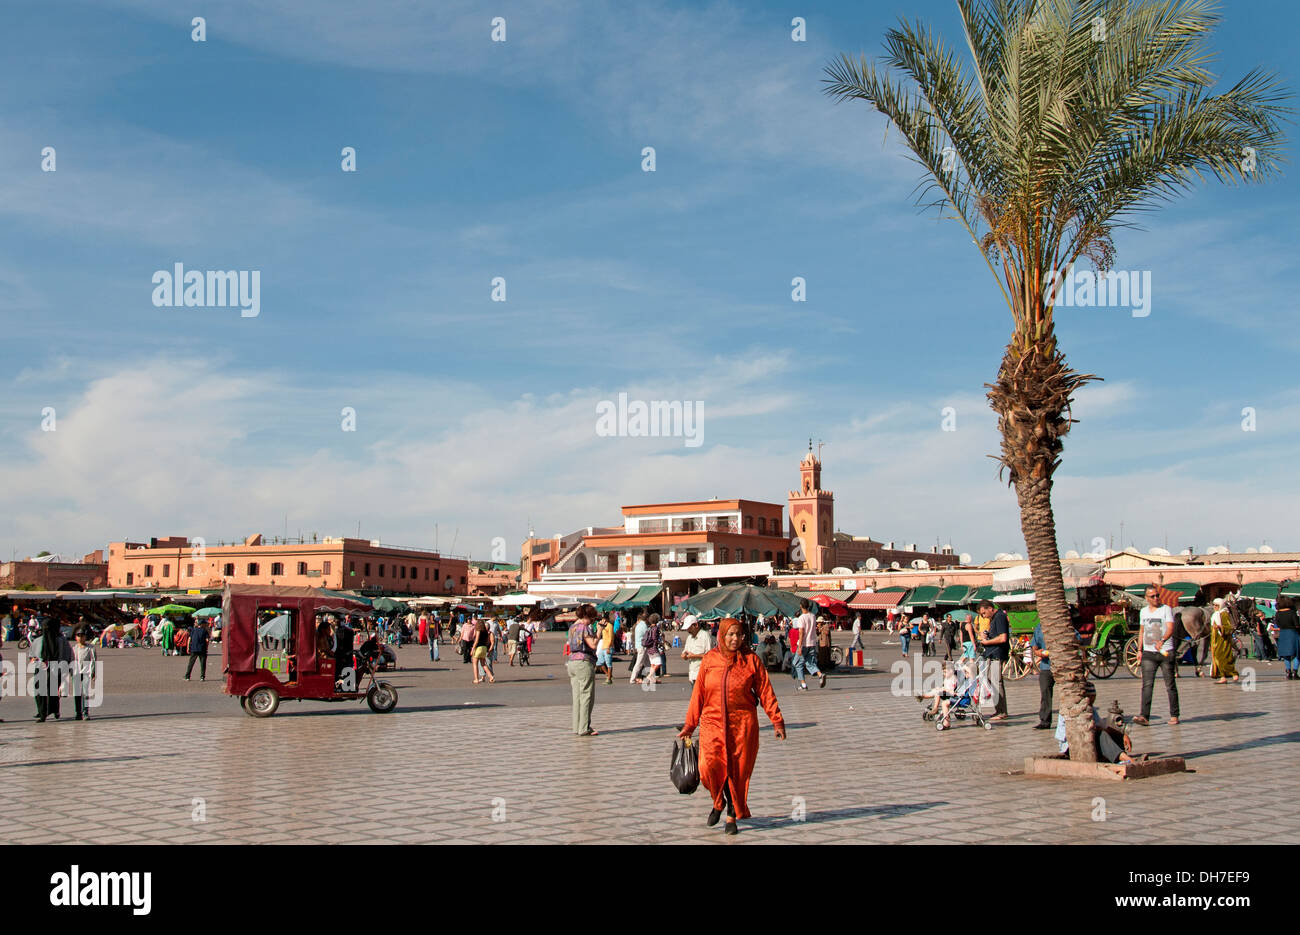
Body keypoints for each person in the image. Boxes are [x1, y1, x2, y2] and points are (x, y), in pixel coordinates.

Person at [678, 618, 786, 835]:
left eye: (739, 635)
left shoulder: (751, 660)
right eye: (731, 634)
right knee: (708, 768)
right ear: (722, 636)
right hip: (712, 723)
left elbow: (765, 692)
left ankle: (731, 814)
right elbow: (698, 695)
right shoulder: (710, 660)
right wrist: (689, 725)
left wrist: (777, 721)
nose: (735, 639)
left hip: (742, 725)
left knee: (736, 772)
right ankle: (718, 801)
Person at [1054, 682, 1135, 763]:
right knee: (1101, 735)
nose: (1093, 701)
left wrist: (1122, 735)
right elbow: (1094, 729)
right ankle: (1127, 759)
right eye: (1091, 698)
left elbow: (1103, 726)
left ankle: (1119, 757)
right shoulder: (1070, 709)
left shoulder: (1091, 708)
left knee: (1113, 734)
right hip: (1073, 746)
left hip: (1088, 740)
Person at [1134, 587, 1180, 725]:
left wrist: (1162, 640)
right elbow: (1141, 631)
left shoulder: (1166, 609)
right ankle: (1144, 716)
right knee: (1147, 685)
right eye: (1152, 596)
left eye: (1157, 595)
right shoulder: (1143, 612)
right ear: (1146, 598)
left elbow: (1170, 628)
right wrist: (1139, 650)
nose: (1156, 598)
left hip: (1166, 652)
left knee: (1170, 685)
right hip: (1148, 653)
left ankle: (1174, 715)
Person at [567, 604, 600, 736]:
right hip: (584, 662)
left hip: (572, 662)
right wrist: (599, 632)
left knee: (577, 697)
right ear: (586, 616)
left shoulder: (572, 627)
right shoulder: (584, 627)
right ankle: (584, 727)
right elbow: (592, 645)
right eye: (591, 618)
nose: (592, 621)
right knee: (586, 695)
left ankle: (577, 727)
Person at [975, 600, 1009, 721]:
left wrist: (987, 642)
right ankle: (998, 709)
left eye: (984, 613)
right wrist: (987, 635)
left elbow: (1002, 637)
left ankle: (1002, 711)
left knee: (996, 682)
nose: (984, 616)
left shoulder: (999, 617)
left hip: (997, 653)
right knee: (991, 680)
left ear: (990, 608)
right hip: (992, 653)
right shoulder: (995, 618)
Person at [32, 618, 68, 722]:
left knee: (53, 692)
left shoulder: (61, 641)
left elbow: (66, 655)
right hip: (40, 668)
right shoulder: (38, 641)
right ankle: (42, 713)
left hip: (56, 668)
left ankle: (54, 710)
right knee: (39, 692)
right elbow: (32, 654)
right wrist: (34, 659)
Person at [790, 601, 825, 691]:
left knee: (797, 663)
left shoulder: (802, 618)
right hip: (812, 643)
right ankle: (820, 674)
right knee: (810, 662)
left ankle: (803, 685)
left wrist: (800, 646)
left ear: (801, 606)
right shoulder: (813, 616)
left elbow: (801, 632)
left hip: (804, 644)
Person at [1029, 622, 1053, 729]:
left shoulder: (1064, 623)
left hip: (1063, 664)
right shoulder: (1039, 626)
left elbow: (1077, 638)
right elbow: (1034, 644)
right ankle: (1045, 721)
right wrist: (1037, 652)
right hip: (1045, 665)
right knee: (1045, 693)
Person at [1210, 598, 1239, 684]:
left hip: (1223, 640)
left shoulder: (1224, 614)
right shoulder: (1216, 614)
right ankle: (1222, 677)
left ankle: (1234, 674)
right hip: (1216, 641)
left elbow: (1228, 627)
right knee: (1218, 658)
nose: (1215, 607)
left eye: (1217, 605)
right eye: (1214, 605)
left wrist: (1219, 627)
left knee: (1223, 658)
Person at [71, 628, 97, 720]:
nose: (81, 638)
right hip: (76, 673)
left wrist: (93, 672)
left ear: (85, 637)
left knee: (86, 693)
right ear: (76, 637)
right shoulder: (74, 649)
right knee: (77, 693)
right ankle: (78, 712)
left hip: (86, 672)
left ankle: (85, 712)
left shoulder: (90, 648)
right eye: (78, 636)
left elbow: (93, 661)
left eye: (82, 636)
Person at [680, 614, 712, 683]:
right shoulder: (689, 637)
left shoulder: (705, 636)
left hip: (702, 673)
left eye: (689, 628)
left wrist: (694, 656)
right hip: (692, 674)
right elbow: (685, 651)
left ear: (696, 625)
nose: (688, 630)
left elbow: (709, 656)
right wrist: (684, 655)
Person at [1276, 597, 1300, 680]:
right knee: (1298, 653)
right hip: (1293, 633)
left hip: (1283, 634)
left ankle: (1288, 672)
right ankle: (1295, 672)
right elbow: (1297, 625)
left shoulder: (1278, 613)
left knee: (1286, 654)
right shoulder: (1292, 612)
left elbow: (1278, 625)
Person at [471, 620, 495, 684]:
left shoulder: (478, 631)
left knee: (475, 664)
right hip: (484, 648)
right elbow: (487, 641)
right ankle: (491, 677)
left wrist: (473, 649)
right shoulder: (486, 632)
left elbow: (476, 641)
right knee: (483, 664)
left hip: (478, 648)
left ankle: (476, 679)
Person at [594, 615, 615, 684]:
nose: (602, 621)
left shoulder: (610, 626)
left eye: (603, 620)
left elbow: (611, 637)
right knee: (600, 662)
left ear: (606, 620)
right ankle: (608, 675)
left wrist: (609, 647)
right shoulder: (603, 627)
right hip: (603, 646)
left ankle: (609, 679)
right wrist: (599, 626)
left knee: (608, 663)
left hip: (608, 646)